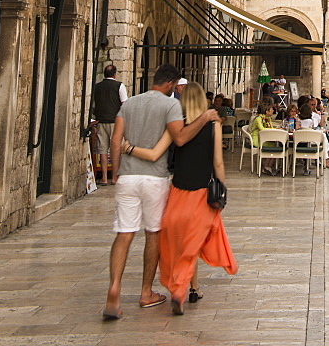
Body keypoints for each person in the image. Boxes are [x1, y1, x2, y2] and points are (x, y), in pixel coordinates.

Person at [103, 64, 219, 320]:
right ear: (170, 84)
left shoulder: (129, 104)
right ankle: (146, 292)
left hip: (127, 177)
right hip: (154, 177)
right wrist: (205, 118)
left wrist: (115, 171)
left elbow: (115, 140)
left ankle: (114, 288)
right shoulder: (171, 106)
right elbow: (179, 138)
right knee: (153, 234)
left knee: (124, 234)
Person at [125, 82, 237, 314]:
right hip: (200, 195)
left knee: (179, 244)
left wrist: (129, 149)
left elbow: (155, 153)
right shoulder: (213, 127)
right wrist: (222, 189)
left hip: (177, 194)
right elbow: (218, 162)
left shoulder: (175, 127)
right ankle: (179, 290)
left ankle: (190, 287)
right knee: (192, 245)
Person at [93, 65, 127, 186]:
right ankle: (114, 177)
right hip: (115, 121)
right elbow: (124, 104)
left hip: (101, 121)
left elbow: (94, 103)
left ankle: (104, 178)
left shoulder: (97, 87)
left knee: (102, 149)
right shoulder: (119, 86)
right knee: (115, 148)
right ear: (114, 74)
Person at [250, 104, 281, 175]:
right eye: (271, 110)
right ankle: (267, 167)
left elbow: (270, 128)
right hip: (257, 139)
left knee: (274, 147)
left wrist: (276, 129)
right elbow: (262, 129)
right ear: (267, 111)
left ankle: (267, 167)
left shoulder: (268, 118)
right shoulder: (259, 118)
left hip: (265, 139)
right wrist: (275, 129)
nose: (273, 111)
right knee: (272, 147)